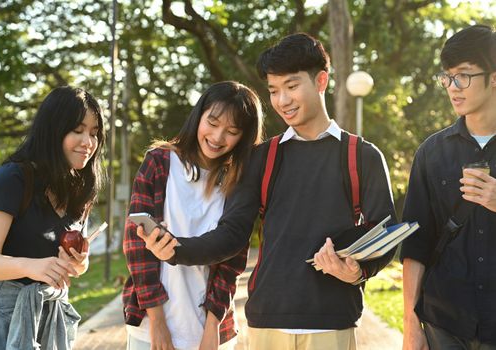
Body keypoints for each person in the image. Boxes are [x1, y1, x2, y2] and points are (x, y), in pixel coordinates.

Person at [142, 33, 396, 350]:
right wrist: (178, 249)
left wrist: (358, 270)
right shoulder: (261, 158)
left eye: (291, 86)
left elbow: (385, 233)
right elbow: (232, 234)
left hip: (331, 320)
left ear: (320, 81)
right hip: (266, 320)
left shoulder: (362, 155)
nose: (282, 101)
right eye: (274, 91)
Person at [122, 81, 263, 350]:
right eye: (212, 122)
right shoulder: (160, 162)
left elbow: (232, 261)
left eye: (231, 131)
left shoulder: (239, 182)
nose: (218, 137)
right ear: (198, 116)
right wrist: (158, 325)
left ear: (243, 137)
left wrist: (212, 329)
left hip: (209, 328)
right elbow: (136, 247)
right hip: (150, 325)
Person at [0, 86, 106, 349]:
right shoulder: (11, 180)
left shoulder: (79, 189)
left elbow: (76, 268)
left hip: (45, 314)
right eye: (77, 130)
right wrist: (30, 266)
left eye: (94, 133)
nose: (88, 142)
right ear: (52, 131)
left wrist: (79, 262)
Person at [401, 24, 496, 349]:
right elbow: (415, 245)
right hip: (444, 324)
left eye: (464, 76)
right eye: (447, 77)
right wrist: (411, 327)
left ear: (494, 77)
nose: (453, 87)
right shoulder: (431, 152)